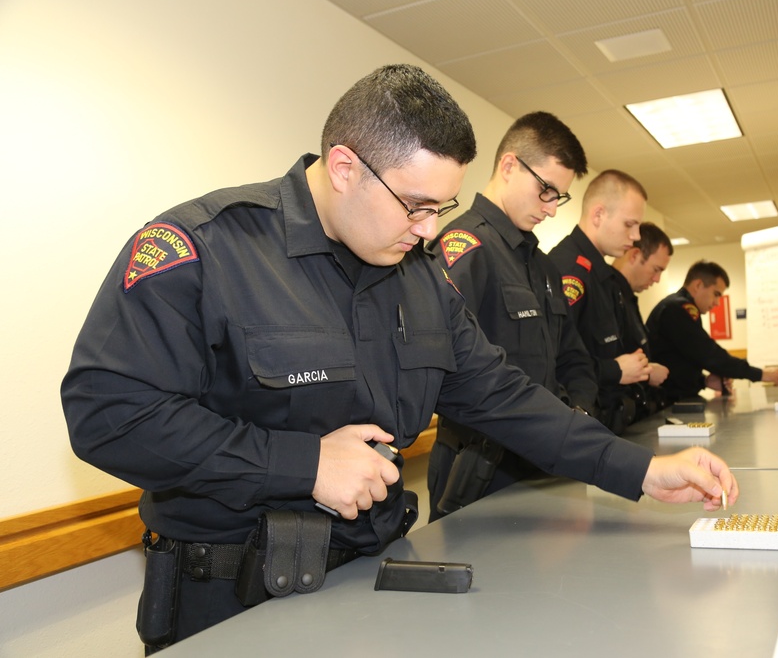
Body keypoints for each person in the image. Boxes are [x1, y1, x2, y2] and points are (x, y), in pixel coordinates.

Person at [61, 64, 738, 652]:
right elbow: (109, 414)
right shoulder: (206, 248)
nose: (430, 230)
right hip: (231, 603)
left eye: (441, 207)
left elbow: (503, 394)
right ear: (346, 165)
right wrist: (305, 462)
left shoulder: (418, 275)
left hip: (371, 583)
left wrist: (641, 469)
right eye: (415, 206)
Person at [426, 111, 597, 521]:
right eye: (546, 191)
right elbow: (444, 365)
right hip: (480, 466)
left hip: (546, 458)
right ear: (508, 166)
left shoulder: (542, 267)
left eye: (560, 196)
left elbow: (573, 359)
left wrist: (580, 416)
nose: (552, 209)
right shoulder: (465, 248)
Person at [548, 170, 652, 433]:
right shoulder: (570, 270)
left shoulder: (601, 274)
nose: (636, 235)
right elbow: (558, 360)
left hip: (606, 418)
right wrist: (615, 370)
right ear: (598, 215)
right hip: (578, 421)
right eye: (630, 224)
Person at [646, 260, 778, 402]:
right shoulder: (678, 309)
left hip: (676, 399)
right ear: (698, 285)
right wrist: (761, 374)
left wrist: (704, 381)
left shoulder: (680, 307)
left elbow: (680, 360)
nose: (717, 303)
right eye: (716, 294)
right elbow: (709, 354)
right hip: (667, 402)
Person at [609, 222, 673, 414]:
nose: (657, 279)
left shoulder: (626, 297)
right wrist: (647, 372)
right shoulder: (607, 295)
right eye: (656, 269)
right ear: (635, 255)